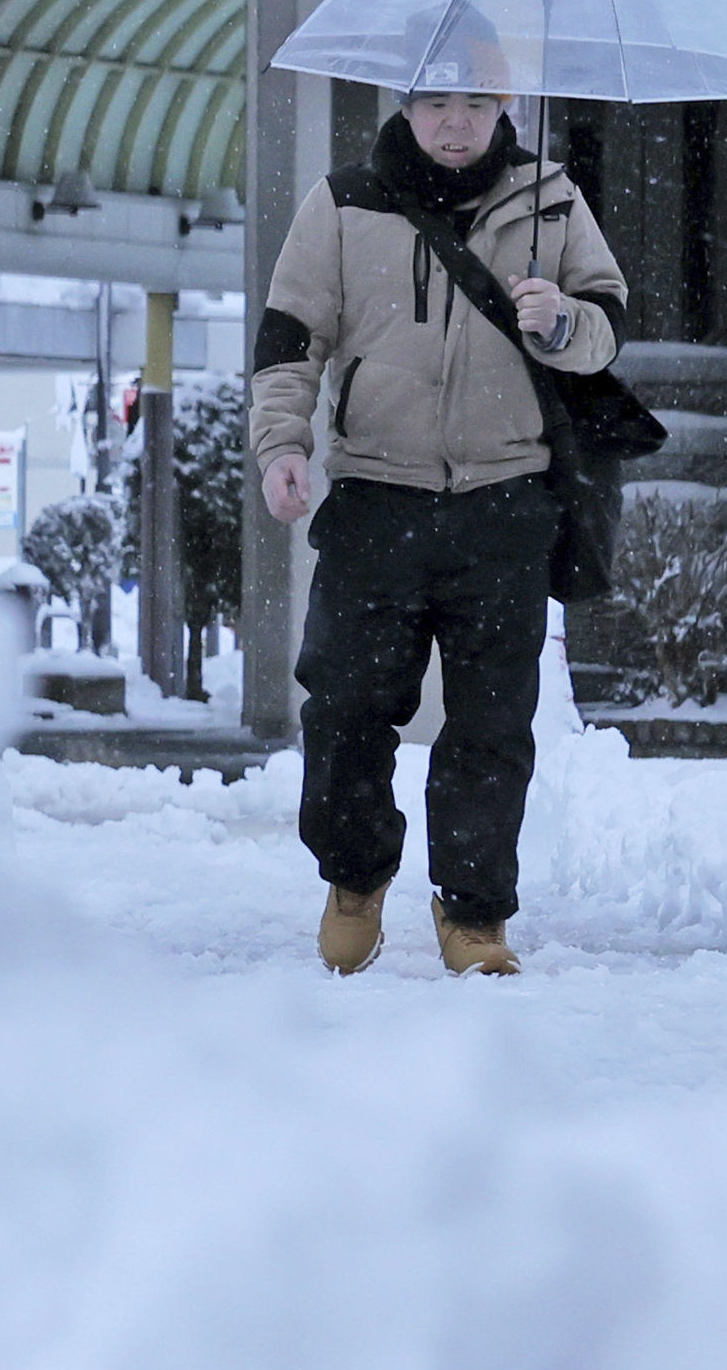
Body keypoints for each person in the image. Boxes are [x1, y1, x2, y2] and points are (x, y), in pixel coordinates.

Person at [249, 82, 629, 978]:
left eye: (476, 101)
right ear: (406, 105)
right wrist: (281, 447)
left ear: (504, 104)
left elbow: (609, 322)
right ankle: (354, 877)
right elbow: (289, 337)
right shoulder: (344, 204)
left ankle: (474, 913)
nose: (455, 123)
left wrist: (565, 321)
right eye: (435, 103)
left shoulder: (552, 199)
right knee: (342, 706)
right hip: (377, 497)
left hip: (506, 501)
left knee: (493, 724)